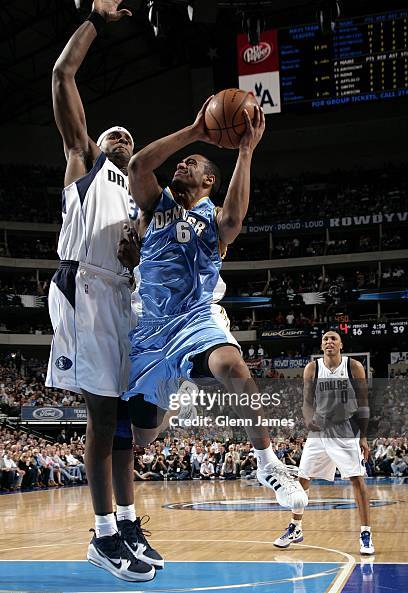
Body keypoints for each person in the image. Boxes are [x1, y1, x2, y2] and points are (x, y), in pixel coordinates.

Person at [118, 96, 308, 511]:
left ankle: (266, 462)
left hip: (195, 319)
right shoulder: (155, 205)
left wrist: (245, 150)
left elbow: (235, 222)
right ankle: (175, 397)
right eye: (181, 161)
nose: (182, 164)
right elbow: (137, 166)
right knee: (143, 437)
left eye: (193, 163)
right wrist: (197, 129)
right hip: (149, 330)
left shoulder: (214, 218)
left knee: (232, 366)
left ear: (209, 182)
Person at [45, 0, 161, 581]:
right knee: (100, 415)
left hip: (121, 295)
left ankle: (127, 521)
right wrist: (94, 17)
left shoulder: (136, 199)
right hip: (84, 287)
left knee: (124, 422)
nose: (119, 135)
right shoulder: (82, 159)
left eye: (126, 135)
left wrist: (138, 252)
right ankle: (102, 534)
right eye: (112, 130)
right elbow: (63, 74)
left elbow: (143, 256)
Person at [273, 330, 375, 555]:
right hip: (319, 430)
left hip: (345, 428)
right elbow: (307, 402)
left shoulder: (353, 367)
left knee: (357, 480)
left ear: (341, 344)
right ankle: (295, 527)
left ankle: (365, 533)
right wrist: (308, 418)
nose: (329, 342)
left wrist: (364, 436)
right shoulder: (313, 368)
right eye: (325, 339)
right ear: (321, 346)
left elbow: (364, 403)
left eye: (333, 339)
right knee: (302, 480)